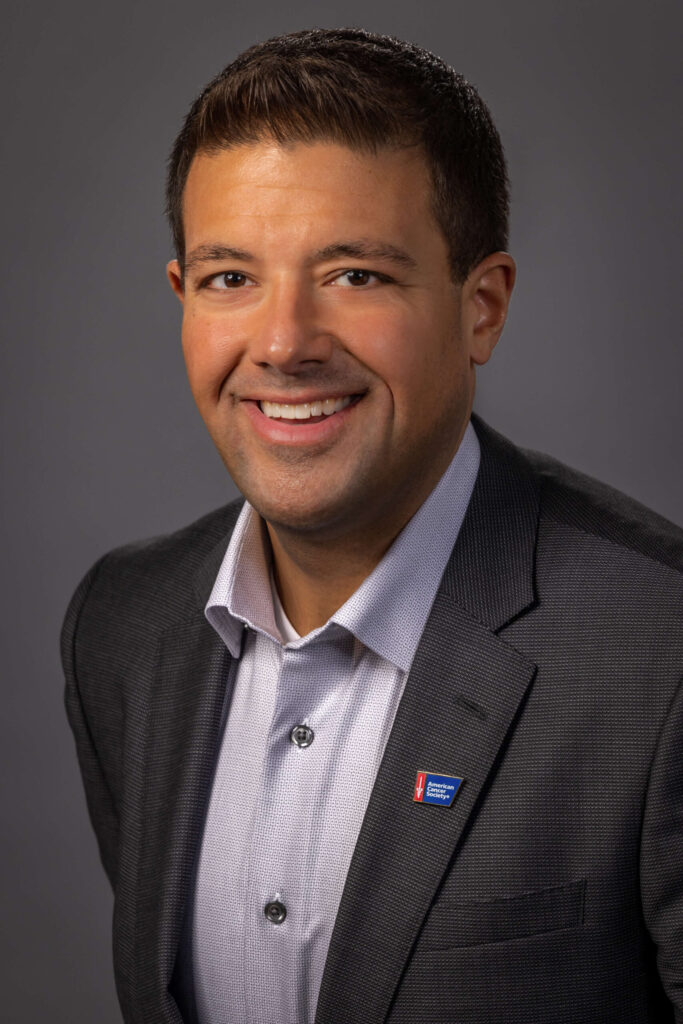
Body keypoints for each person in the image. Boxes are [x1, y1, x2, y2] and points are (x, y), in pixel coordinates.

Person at [62, 27, 683, 1024]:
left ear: (479, 307)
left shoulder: (659, 656)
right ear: (182, 299)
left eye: (355, 274)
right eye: (231, 277)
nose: (282, 342)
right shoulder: (122, 628)